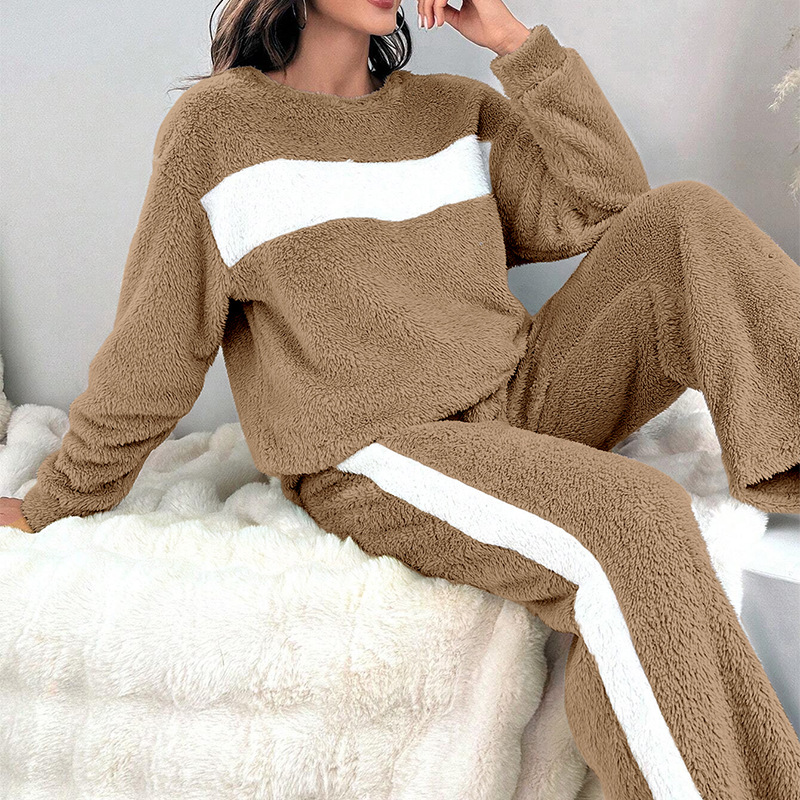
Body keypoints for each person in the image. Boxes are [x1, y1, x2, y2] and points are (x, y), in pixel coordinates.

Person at [3, 0, 800, 796]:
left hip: (521, 394)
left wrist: (515, 43)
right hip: (378, 450)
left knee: (683, 219)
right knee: (634, 519)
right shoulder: (217, 131)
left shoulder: (453, 111)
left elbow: (604, 201)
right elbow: (156, 350)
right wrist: (55, 500)